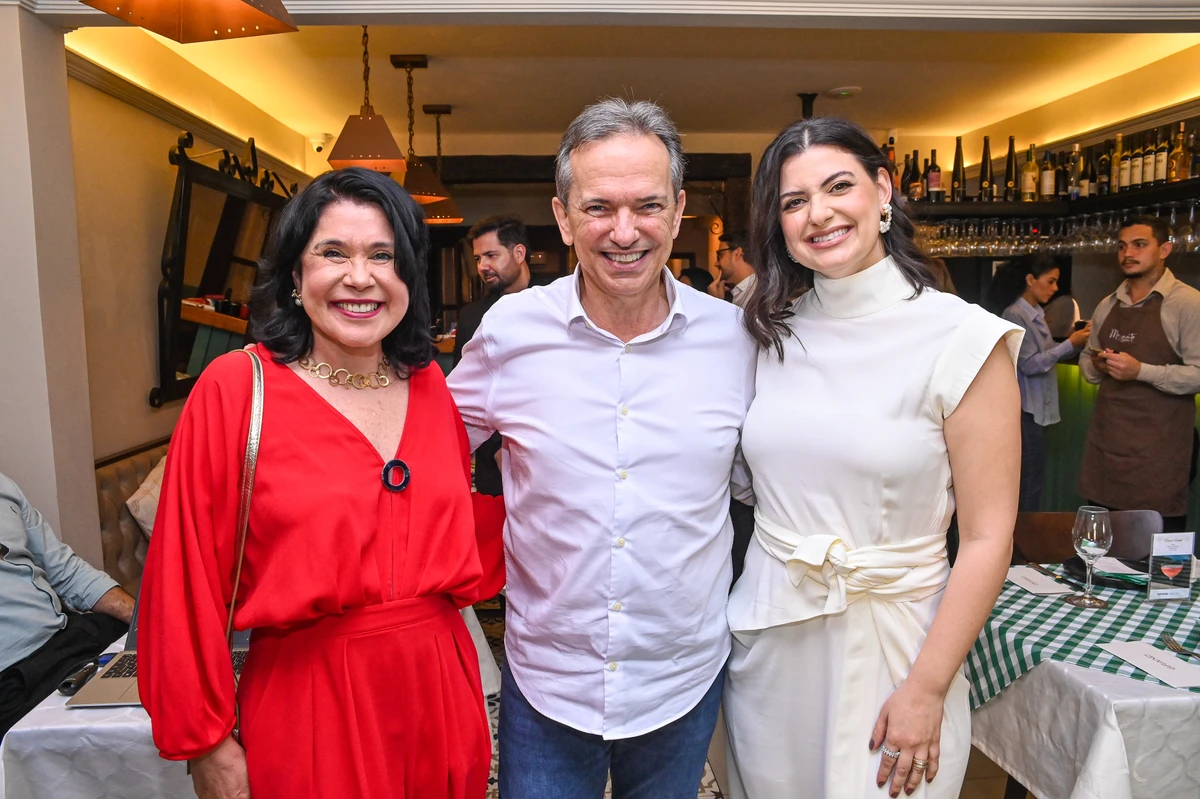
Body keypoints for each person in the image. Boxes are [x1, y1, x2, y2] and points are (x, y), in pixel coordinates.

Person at [137, 167, 505, 799]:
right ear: (293, 274)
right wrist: (205, 740)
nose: (359, 277)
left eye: (382, 256)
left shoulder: (431, 388)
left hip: (442, 694)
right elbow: (183, 577)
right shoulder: (235, 390)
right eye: (333, 252)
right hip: (310, 701)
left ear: (407, 279)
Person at [448, 98, 756, 799]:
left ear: (678, 212)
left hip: (681, 680)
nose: (624, 231)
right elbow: (426, 448)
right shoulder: (509, 330)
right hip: (548, 680)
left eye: (647, 205)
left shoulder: (736, 340)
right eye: (598, 207)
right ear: (562, 216)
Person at [723, 117, 1022, 799]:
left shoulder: (963, 339)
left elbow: (986, 537)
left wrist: (927, 686)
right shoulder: (768, 334)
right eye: (794, 201)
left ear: (883, 189)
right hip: (772, 641)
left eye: (838, 187)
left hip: (901, 649)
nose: (818, 213)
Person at [1079, 215, 1200, 541]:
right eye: (1122, 246)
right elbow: (1087, 365)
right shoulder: (1107, 304)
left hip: (1159, 456)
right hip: (1107, 449)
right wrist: (1099, 366)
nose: (1127, 253)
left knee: (1153, 559)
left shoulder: (1187, 303)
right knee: (1099, 552)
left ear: (1165, 250)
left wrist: (1140, 372)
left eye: (1139, 245)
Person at [0, 472, 135, 737]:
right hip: (15, 676)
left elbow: (65, 570)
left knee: (184, 679)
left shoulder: (4, 486)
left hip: (71, 636)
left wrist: (143, 618)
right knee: (107, 737)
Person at [987, 255, 1091, 511]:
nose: (1056, 288)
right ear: (1030, 280)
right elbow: (1029, 363)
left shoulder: (1035, 312)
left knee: (1032, 481)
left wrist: (1070, 343)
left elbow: (1043, 353)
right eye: (1051, 281)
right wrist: (1071, 344)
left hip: (1033, 409)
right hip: (1024, 411)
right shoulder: (1015, 314)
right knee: (1028, 484)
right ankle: (1022, 544)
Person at [453, 214, 534, 499]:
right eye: (477, 259)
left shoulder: (556, 303)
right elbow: (466, 400)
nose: (482, 267)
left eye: (491, 255)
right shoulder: (472, 317)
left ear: (519, 253)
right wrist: (500, 449)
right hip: (494, 465)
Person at [709, 230, 757, 308]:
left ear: (737, 253)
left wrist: (716, 303)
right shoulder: (739, 292)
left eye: (720, 255)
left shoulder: (759, 294)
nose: (716, 263)